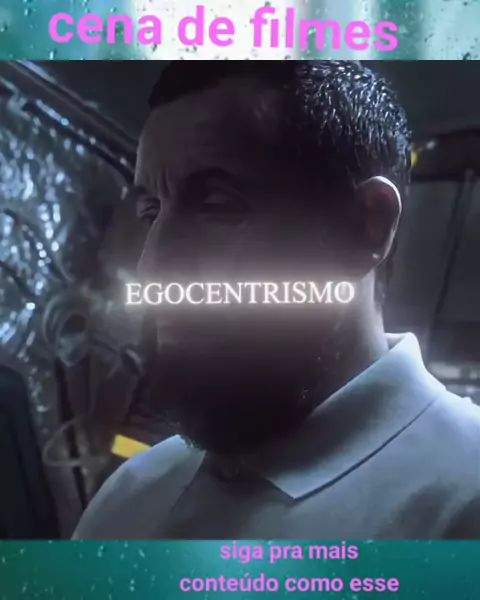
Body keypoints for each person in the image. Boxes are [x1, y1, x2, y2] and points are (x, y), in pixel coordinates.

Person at [73, 60, 480, 540]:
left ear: (365, 226)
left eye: (216, 205)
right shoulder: (130, 494)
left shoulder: (464, 498)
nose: (153, 268)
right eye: (151, 212)